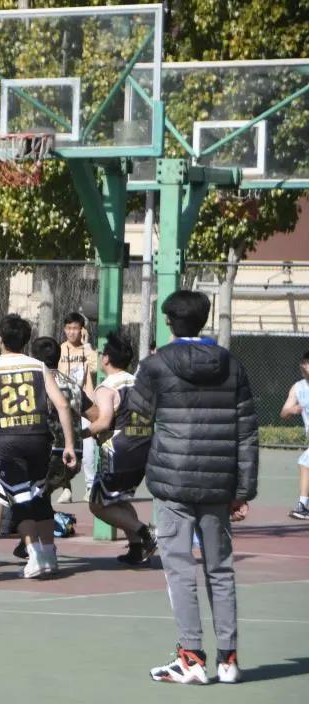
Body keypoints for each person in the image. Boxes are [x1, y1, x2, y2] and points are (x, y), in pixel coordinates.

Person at [127, 291, 258, 685]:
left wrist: (124, 473)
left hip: (172, 481)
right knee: (220, 569)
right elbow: (247, 431)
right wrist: (243, 489)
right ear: (204, 320)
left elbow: (136, 421)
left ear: (169, 322)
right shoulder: (231, 364)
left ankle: (191, 658)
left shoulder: (154, 365)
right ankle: (228, 661)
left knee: (180, 569)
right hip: (219, 483)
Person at [0, 315, 77, 579]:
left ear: (0, 338)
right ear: (26, 340)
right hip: (39, 439)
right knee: (38, 496)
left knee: (19, 500)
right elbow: (62, 404)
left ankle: (34, 555)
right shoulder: (38, 366)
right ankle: (49, 554)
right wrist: (69, 443)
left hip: (7, 441)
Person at [80, 330, 157, 566]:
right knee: (119, 500)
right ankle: (136, 548)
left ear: (106, 359)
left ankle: (145, 532)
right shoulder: (139, 383)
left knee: (97, 505)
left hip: (118, 451)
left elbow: (103, 421)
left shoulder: (107, 388)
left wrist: (79, 435)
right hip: (143, 448)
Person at [34, 336, 88, 505]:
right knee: (43, 499)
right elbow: (96, 416)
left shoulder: (34, 384)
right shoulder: (73, 385)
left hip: (43, 453)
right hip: (72, 457)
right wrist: (80, 434)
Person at [60, 312, 98, 494]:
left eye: (75, 328)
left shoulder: (87, 351)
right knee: (64, 446)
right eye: (68, 328)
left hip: (85, 404)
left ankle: (90, 486)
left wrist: (87, 345)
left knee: (88, 447)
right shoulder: (60, 349)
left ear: (82, 330)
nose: (71, 332)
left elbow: (97, 367)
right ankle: (65, 486)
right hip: (65, 405)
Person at [280, 350, 309, 520]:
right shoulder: (298, 388)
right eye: (306, 363)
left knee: (304, 461)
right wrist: (292, 410)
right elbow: (283, 413)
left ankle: (303, 506)